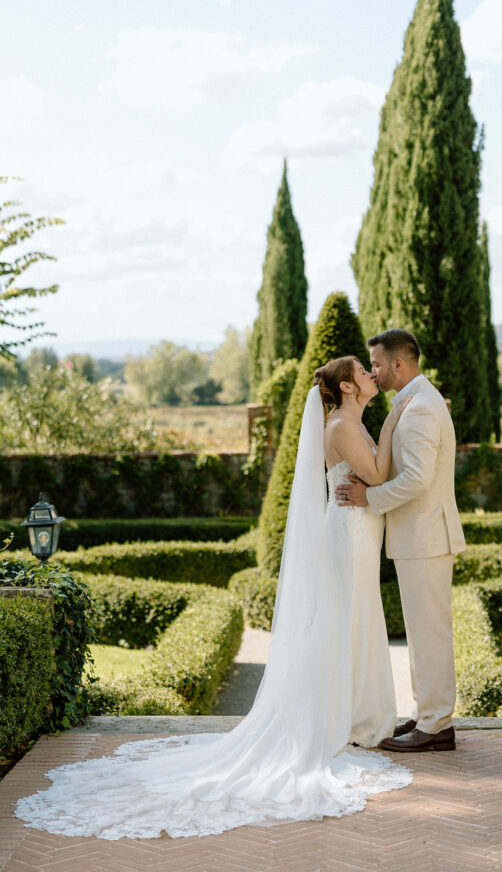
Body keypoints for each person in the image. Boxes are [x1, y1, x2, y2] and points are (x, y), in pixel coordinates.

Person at [14, 357, 412, 840]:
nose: (373, 376)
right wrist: (394, 423)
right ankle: (335, 718)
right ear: (348, 386)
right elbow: (376, 470)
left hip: (358, 534)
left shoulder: (350, 419)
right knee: (341, 622)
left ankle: (356, 715)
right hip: (349, 536)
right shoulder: (344, 426)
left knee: (354, 620)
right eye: (363, 372)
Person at [336, 329, 466, 754]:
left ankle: (436, 724)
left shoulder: (422, 408)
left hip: (426, 535)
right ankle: (429, 714)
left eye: (375, 363)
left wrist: (369, 497)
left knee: (430, 633)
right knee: (422, 631)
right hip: (418, 536)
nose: (372, 371)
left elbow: (416, 479)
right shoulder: (413, 402)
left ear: (397, 363)